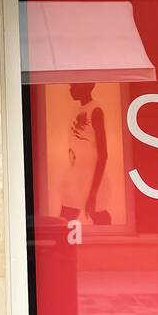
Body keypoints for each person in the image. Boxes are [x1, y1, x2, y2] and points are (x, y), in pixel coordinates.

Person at [58, 83, 110, 225]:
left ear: (86, 87)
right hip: (76, 176)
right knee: (65, 222)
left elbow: (103, 154)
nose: (70, 89)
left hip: (92, 177)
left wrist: (93, 192)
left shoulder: (95, 110)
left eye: (74, 85)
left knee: (101, 221)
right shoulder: (75, 108)